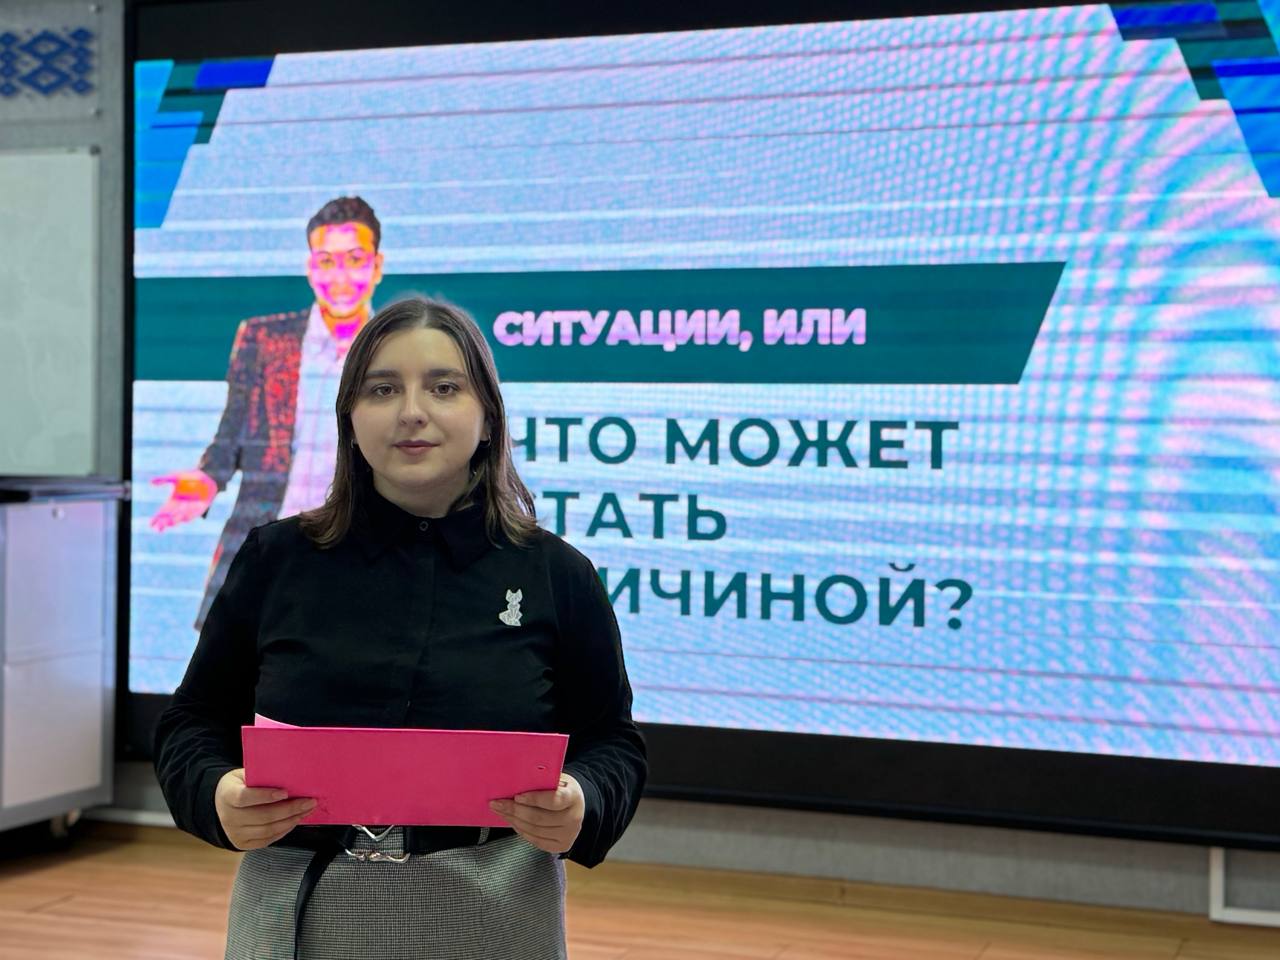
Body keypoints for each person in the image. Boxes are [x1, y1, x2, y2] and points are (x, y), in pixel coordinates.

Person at [153, 297, 647, 960]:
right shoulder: (277, 559)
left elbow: (613, 742)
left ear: (488, 417)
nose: (412, 411)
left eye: (444, 387)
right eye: (382, 389)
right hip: (297, 909)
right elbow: (191, 724)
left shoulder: (557, 574)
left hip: (496, 913)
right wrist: (217, 795)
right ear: (349, 418)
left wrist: (583, 801)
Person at [148, 195, 386, 630]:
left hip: (362, 558)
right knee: (240, 669)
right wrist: (207, 479)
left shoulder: (399, 348)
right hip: (272, 552)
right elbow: (232, 434)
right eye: (326, 261)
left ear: (376, 266)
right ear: (310, 267)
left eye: (354, 259)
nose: (340, 276)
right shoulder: (263, 339)